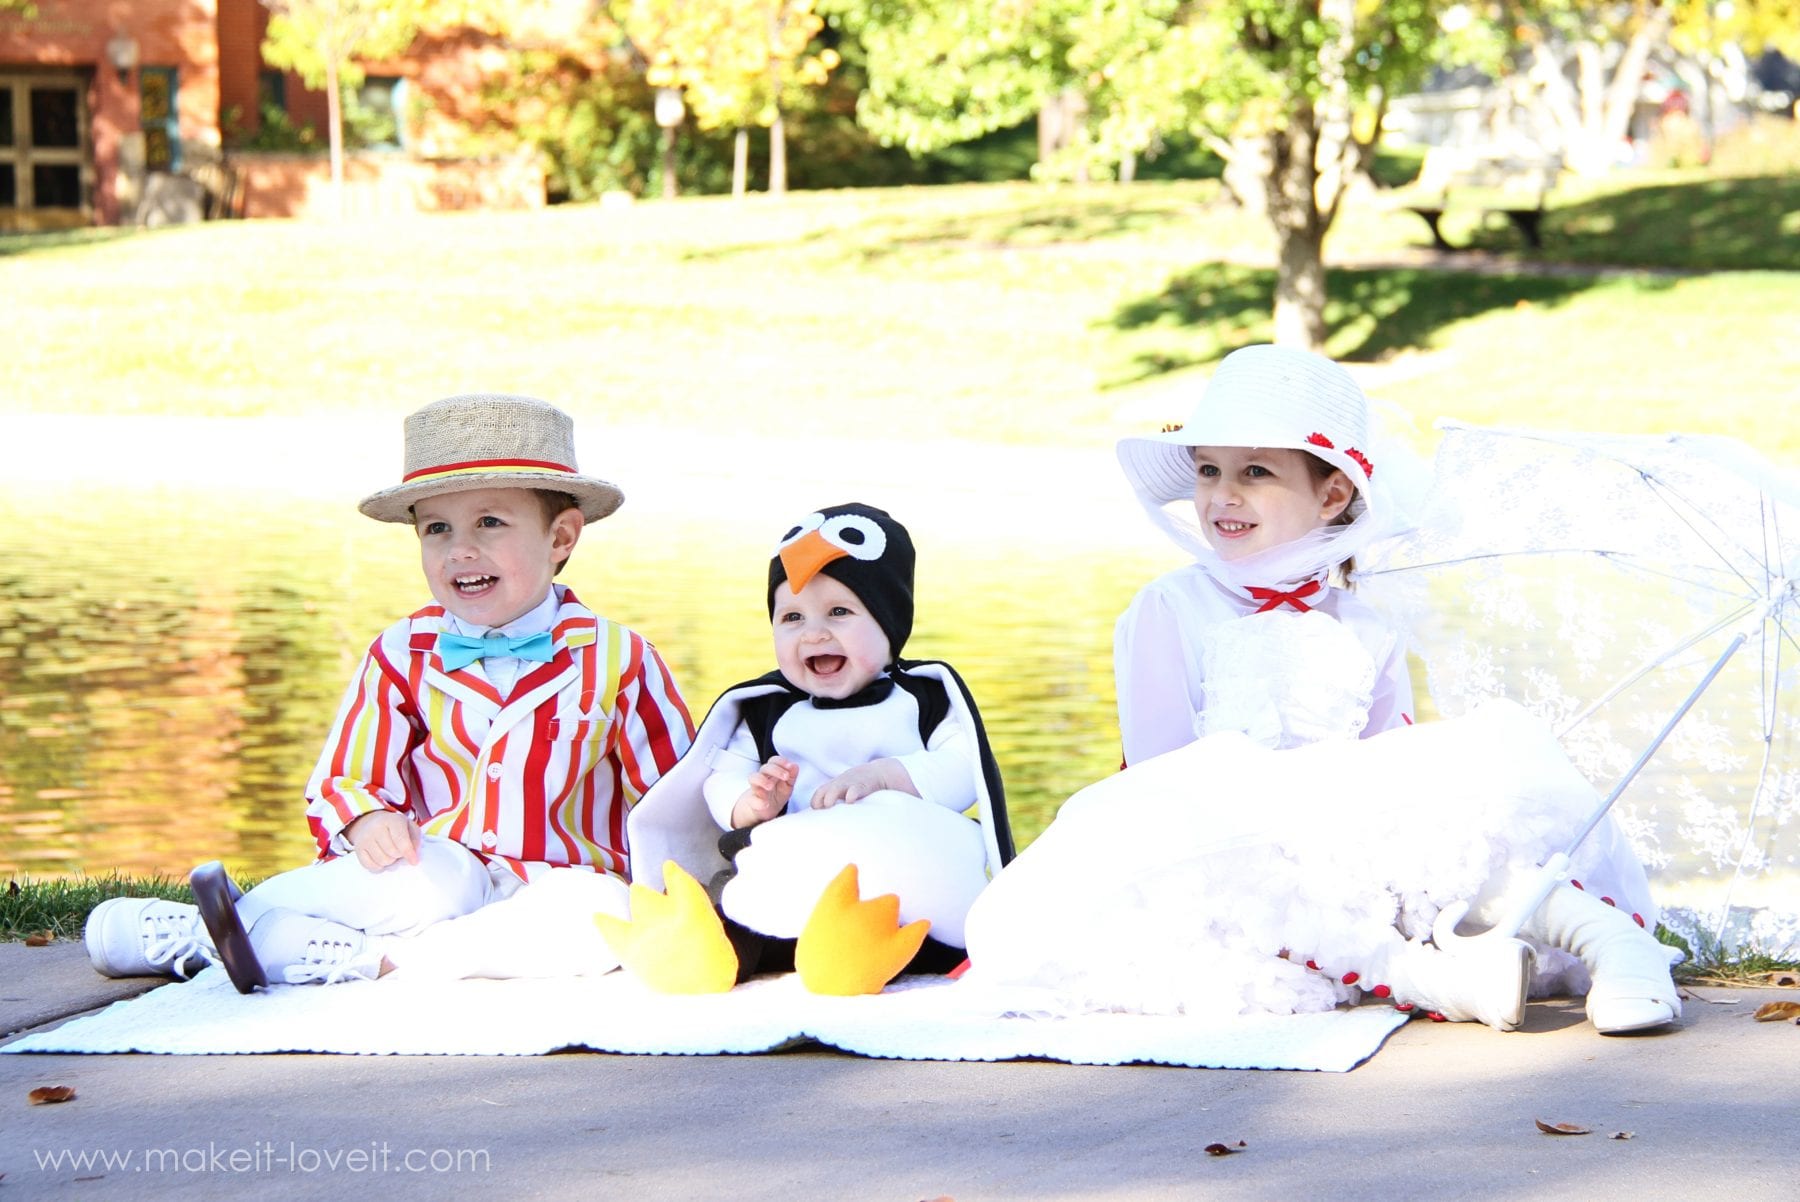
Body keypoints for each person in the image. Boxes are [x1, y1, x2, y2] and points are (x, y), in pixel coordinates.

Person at [960, 345, 1682, 1035]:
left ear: (1332, 492)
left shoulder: (1365, 619)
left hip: (1349, 841)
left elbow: (1390, 759)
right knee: (1238, 899)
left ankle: (1611, 941)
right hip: (1208, 835)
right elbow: (1159, 778)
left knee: (1458, 811)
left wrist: (1376, 832)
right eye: (1208, 471)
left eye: (1255, 473)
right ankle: (1438, 980)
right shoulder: (1170, 608)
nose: (1222, 496)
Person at [85, 393, 694, 988]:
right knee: (409, 877)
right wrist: (367, 817)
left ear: (561, 538)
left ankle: (370, 960)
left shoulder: (620, 659)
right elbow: (344, 777)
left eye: (490, 522)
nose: (460, 549)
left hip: (562, 877)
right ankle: (223, 924)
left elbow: (673, 800)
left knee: (600, 919)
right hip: (443, 866)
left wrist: (689, 895)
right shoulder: (403, 652)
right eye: (436, 528)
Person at [613, 502, 1011, 995]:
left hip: (892, 881)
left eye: (840, 613)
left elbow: (963, 770)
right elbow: (722, 774)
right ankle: (706, 952)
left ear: (890, 624)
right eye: (792, 617)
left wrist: (886, 776)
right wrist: (751, 802)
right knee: (739, 903)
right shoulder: (766, 709)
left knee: (916, 919)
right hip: (790, 879)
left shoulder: (923, 700)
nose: (814, 633)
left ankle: (853, 952)